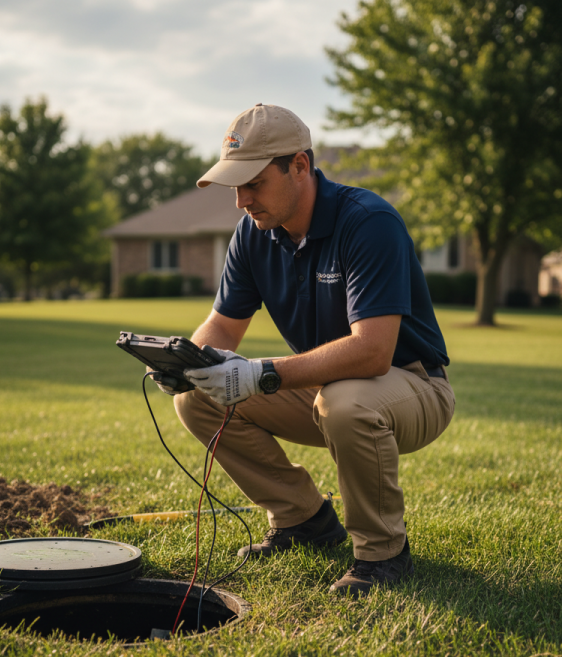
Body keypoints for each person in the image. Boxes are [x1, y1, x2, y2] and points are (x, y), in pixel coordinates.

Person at [159, 104, 455, 597]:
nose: (241, 201)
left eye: (252, 182)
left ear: (299, 165)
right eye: (235, 185)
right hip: (330, 387)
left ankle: (382, 554)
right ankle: (304, 520)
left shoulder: (368, 221)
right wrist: (185, 363)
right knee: (195, 397)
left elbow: (373, 353)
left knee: (346, 401)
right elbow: (222, 327)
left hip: (415, 386)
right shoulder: (253, 235)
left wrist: (261, 373)